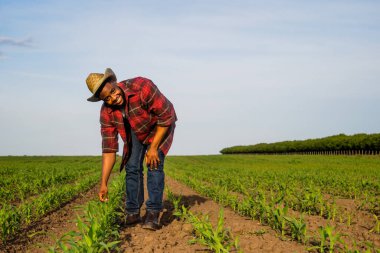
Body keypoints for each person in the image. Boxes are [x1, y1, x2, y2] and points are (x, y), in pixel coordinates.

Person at [85, 68, 177, 230]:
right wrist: (104, 183)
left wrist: (153, 147)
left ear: (114, 82)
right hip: (137, 128)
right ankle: (133, 212)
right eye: (107, 98)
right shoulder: (106, 113)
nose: (114, 98)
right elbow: (109, 149)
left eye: (113, 91)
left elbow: (166, 115)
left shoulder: (142, 86)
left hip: (160, 125)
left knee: (154, 164)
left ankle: (153, 214)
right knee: (132, 166)